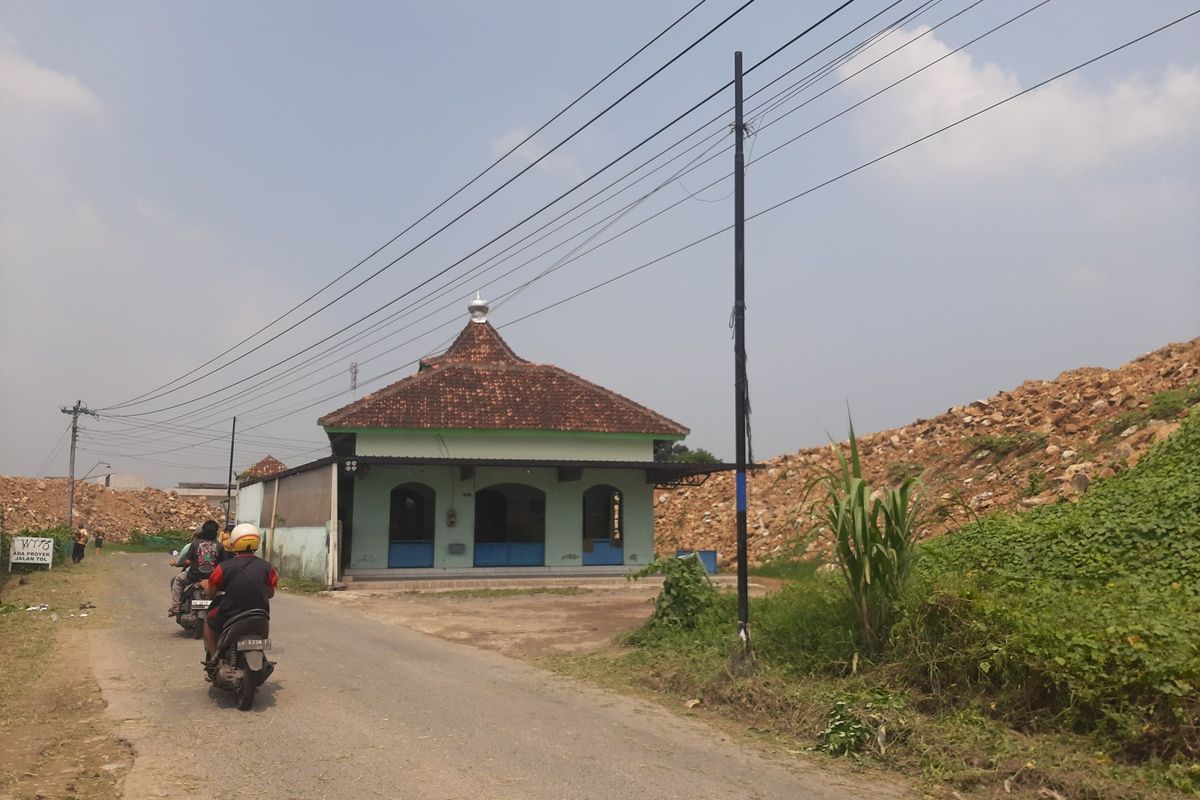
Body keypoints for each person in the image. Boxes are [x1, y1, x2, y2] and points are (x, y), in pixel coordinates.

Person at [202, 523, 277, 667]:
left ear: (234, 542)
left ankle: (214, 657)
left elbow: (210, 593)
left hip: (230, 614)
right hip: (260, 615)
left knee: (208, 623)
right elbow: (270, 593)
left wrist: (206, 587)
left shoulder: (223, 567)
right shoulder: (267, 567)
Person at [168, 521, 218, 615]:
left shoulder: (194, 544)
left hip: (194, 576)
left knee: (178, 580)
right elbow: (223, 563)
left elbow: (187, 561)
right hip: (212, 577)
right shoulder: (219, 546)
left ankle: (176, 607)